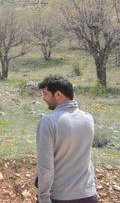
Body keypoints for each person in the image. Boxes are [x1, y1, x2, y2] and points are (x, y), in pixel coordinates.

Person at [36, 75, 98, 203]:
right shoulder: (88, 119)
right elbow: (88, 160)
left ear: (58, 94)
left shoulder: (48, 121)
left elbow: (46, 167)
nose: (43, 98)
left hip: (60, 197)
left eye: (45, 94)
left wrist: (43, 198)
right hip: (88, 195)